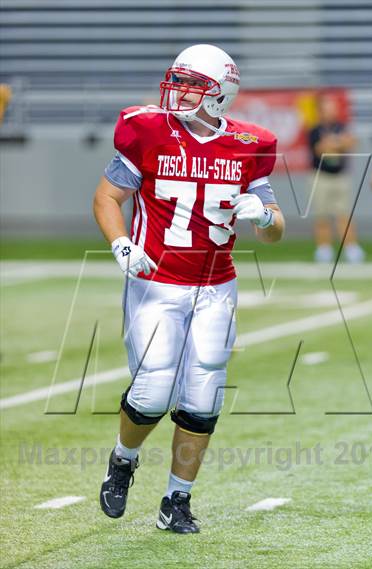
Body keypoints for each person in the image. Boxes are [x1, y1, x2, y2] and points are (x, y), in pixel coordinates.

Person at [93, 44, 285, 533]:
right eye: (176, 81)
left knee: (203, 398)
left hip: (216, 286)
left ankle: (176, 500)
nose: (177, 92)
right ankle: (123, 459)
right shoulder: (148, 130)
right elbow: (107, 197)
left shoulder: (249, 144)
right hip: (156, 282)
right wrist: (120, 245)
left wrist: (263, 215)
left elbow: (275, 228)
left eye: (191, 85)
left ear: (219, 96)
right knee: (154, 390)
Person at [308, 93, 365, 263]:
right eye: (328, 108)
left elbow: (351, 142)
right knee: (322, 215)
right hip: (321, 176)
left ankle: (351, 248)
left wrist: (334, 144)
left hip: (340, 176)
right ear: (320, 111)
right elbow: (320, 149)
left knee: (344, 215)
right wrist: (338, 144)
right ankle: (324, 249)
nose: (332, 111)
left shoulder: (341, 127)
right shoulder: (314, 130)